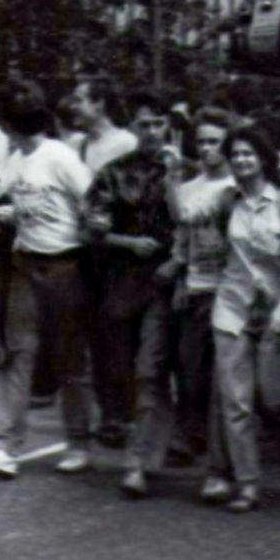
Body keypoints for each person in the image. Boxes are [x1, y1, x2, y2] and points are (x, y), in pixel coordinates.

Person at [0, 83, 95, 480]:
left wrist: (86, 228)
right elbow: (7, 196)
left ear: (11, 123)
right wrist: (1, 210)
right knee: (17, 353)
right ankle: (4, 445)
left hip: (63, 264)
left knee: (68, 357)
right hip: (26, 263)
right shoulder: (17, 158)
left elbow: (91, 200)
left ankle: (78, 443)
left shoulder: (58, 156)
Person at [125, 108, 235, 501]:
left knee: (213, 383)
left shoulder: (237, 187)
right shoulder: (187, 185)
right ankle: (140, 463)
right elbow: (183, 234)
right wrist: (182, 269)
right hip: (183, 289)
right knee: (156, 370)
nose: (207, 149)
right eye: (202, 141)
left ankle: (220, 469)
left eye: (215, 142)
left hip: (225, 293)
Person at [210, 126, 280, 513]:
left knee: (273, 397)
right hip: (232, 305)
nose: (240, 161)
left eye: (248, 153)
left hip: (276, 305)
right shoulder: (226, 201)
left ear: (264, 159)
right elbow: (223, 248)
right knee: (236, 400)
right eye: (235, 154)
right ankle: (247, 482)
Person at [86, 90, 178, 466]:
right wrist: (128, 241)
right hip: (125, 276)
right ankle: (125, 426)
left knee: (164, 362)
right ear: (133, 128)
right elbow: (93, 229)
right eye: (145, 124)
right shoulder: (115, 172)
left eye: (159, 124)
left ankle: (171, 435)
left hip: (173, 274)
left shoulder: (186, 169)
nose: (153, 131)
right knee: (122, 359)